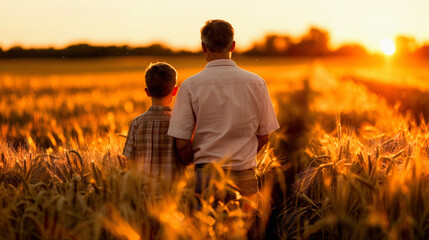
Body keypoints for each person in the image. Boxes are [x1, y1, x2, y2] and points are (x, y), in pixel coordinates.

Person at [167, 19, 279, 201]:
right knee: (248, 227)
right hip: (245, 177)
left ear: (203, 47)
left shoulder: (189, 86)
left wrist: (193, 161)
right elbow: (264, 136)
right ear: (233, 46)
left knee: (205, 228)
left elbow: (181, 142)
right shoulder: (257, 83)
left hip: (206, 178)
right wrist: (242, 157)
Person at [123, 62, 180, 193]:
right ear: (175, 91)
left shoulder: (137, 123)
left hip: (143, 192)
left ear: (147, 92)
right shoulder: (180, 122)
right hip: (174, 193)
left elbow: (130, 164)